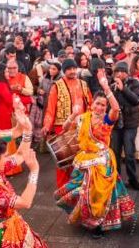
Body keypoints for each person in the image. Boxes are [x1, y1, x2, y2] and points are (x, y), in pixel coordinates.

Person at [54, 73, 135, 238]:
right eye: (97, 104)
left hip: (101, 162)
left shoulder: (107, 120)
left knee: (100, 194)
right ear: (91, 104)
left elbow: (116, 108)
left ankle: (99, 224)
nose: (100, 107)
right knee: (84, 192)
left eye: (103, 105)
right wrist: (72, 115)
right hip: (85, 160)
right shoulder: (83, 119)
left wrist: (106, 88)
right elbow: (65, 130)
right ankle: (88, 219)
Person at [42, 59, 92, 188]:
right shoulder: (56, 86)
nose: (72, 71)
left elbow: (90, 105)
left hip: (81, 127)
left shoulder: (83, 84)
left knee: (81, 161)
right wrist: (47, 126)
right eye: (69, 69)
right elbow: (50, 109)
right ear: (64, 70)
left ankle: (79, 188)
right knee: (63, 163)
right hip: (62, 128)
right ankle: (63, 189)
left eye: (74, 68)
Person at [110, 62, 139, 190]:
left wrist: (123, 88)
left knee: (129, 153)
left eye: (121, 71)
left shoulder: (134, 83)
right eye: (116, 72)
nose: (119, 74)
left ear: (126, 72)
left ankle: (133, 179)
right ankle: (116, 180)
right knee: (115, 153)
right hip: (116, 124)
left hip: (130, 124)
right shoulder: (111, 85)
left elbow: (136, 100)